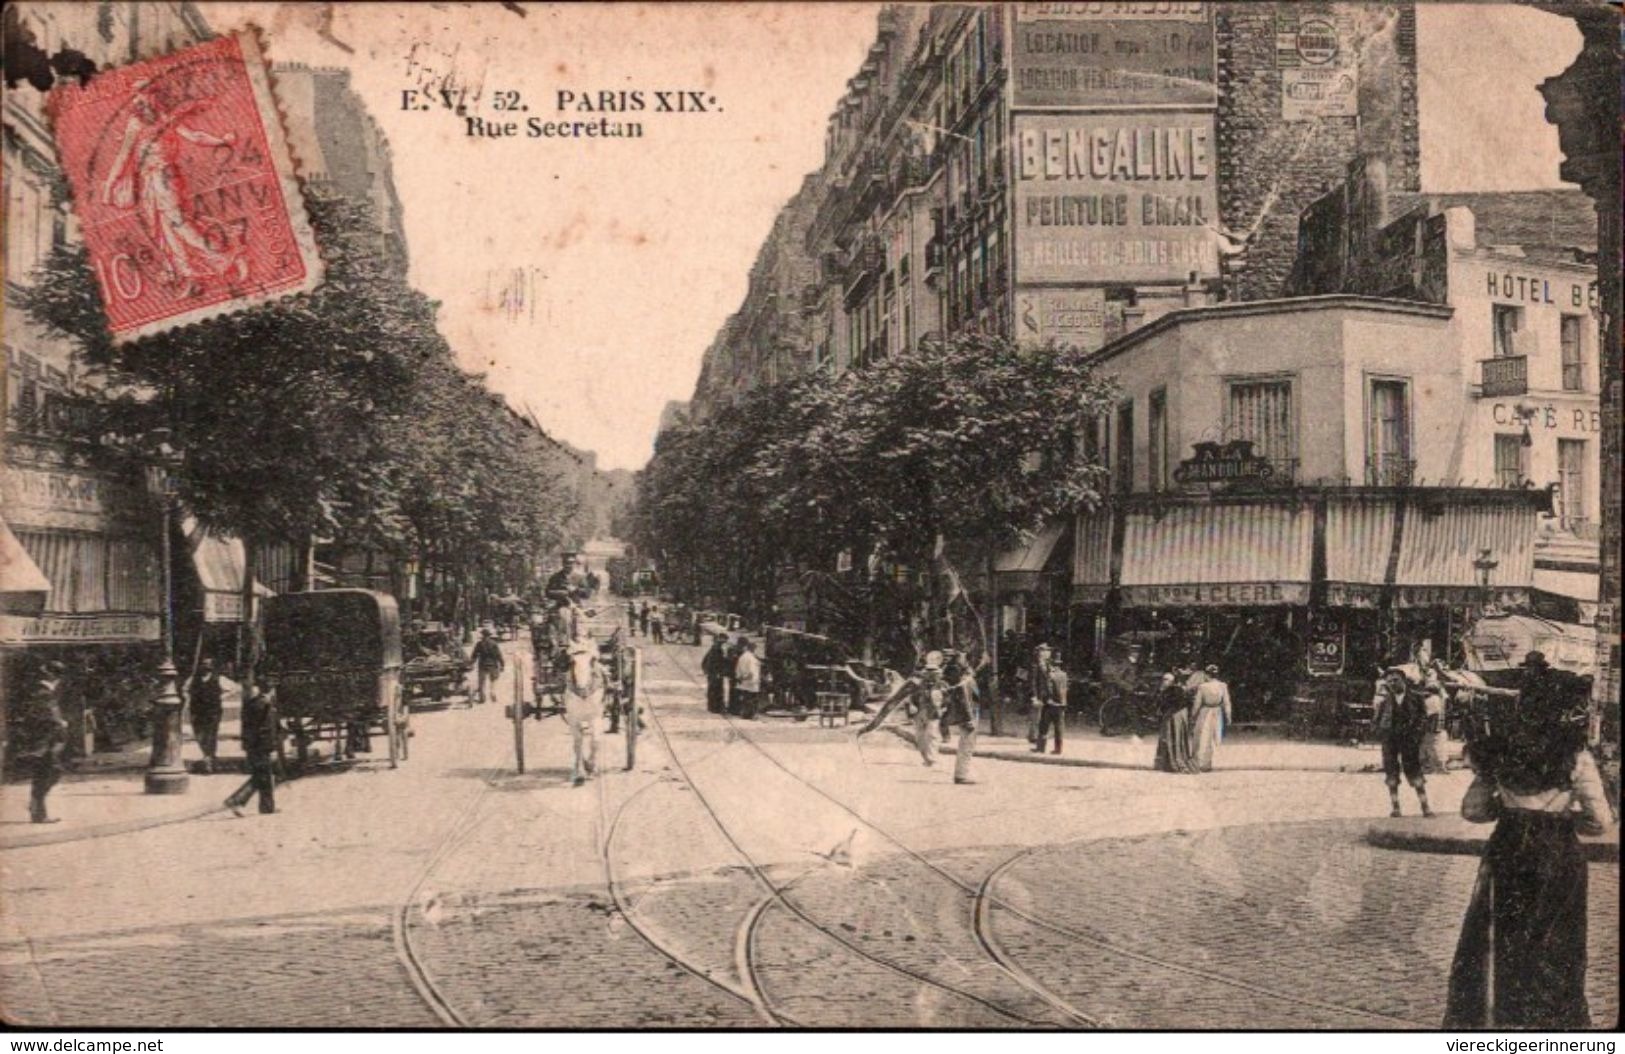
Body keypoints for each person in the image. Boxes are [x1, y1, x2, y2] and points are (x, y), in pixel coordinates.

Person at [1444, 651, 1613, 1028]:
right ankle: (1552, 1023)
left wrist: (1506, 809)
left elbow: (1472, 810)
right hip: (1559, 855)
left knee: (1501, 936)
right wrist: (1566, 820)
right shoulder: (1575, 757)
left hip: (1508, 850)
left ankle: (1502, 1017)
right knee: (1557, 941)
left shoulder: (1499, 752)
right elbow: (1601, 821)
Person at [857, 650, 948, 769]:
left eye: (934, 671)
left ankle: (932, 760)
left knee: (932, 735)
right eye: (929, 671)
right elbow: (901, 698)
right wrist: (910, 705)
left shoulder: (942, 682)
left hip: (934, 713)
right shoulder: (916, 681)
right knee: (920, 736)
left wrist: (943, 708)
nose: (932, 674)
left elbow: (947, 698)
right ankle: (927, 758)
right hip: (918, 712)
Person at [1374, 668, 1433, 817]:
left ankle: (1425, 807)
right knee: (1391, 773)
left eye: (1396, 680)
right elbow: (1376, 721)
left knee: (1415, 771)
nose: (1392, 684)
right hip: (1390, 741)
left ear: (1403, 680)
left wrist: (1417, 736)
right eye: (1389, 681)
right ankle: (1395, 807)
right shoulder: (1384, 701)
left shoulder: (1416, 697)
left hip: (1409, 740)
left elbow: (1423, 718)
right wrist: (1382, 733)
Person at [21, 661, 69, 824]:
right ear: (55, 677)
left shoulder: (40, 691)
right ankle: (37, 809)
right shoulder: (44, 693)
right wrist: (60, 723)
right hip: (44, 743)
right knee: (51, 772)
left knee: (44, 774)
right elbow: (46, 716)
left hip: (42, 742)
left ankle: (36, 808)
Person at [226, 680, 277, 816]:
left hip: (253, 745)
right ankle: (236, 800)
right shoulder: (263, 704)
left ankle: (267, 808)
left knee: (264, 776)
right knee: (262, 776)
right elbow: (265, 729)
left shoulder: (253, 704)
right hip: (260, 746)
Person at [561, 637, 603, 787]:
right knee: (577, 737)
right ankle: (578, 765)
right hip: (573, 690)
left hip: (593, 687)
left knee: (596, 737)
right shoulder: (572, 655)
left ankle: (592, 758)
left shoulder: (593, 655)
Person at [940, 653, 980, 785]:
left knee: (967, 745)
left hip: (968, 715)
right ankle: (961, 775)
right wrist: (969, 719)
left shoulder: (960, 680)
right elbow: (965, 702)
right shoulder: (964, 681)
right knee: (966, 745)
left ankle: (962, 773)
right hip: (968, 716)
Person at [1189, 664, 1232, 772]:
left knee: (1202, 737)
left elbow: (1197, 703)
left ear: (1207, 675)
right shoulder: (1222, 685)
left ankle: (1199, 763)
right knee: (1213, 737)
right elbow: (1226, 702)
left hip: (1205, 712)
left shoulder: (1203, 687)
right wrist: (1228, 716)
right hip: (1217, 712)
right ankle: (1208, 763)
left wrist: (1193, 716)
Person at [1153, 671, 1195, 774]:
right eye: (1163, 679)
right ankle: (1167, 763)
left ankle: (1174, 762)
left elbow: (1165, 704)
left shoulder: (1174, 690)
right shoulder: (1168, 690)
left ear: (1172, 681)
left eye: (1166, 679)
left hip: (1173, 716)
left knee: (1173, 737)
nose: (1163, 681)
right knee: (1168, 738)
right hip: (1172, 716)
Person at [189, 657, 224, 774]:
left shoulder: (219, 678)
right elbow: (185, 689)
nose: (206, 666)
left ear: (212, 666)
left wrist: (220, 697)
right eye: (204, 664)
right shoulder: (194, 679)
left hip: (213, 711)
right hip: (197, 711)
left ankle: (208, 759)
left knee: (210, 735)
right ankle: (208, 757)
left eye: (208, 664)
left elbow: (233, 688)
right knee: (199, 735)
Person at [1031, 645, 1068, 756]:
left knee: (1044, 726)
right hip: (1061, 705)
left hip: (1050, 704)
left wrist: (1047, 699)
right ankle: (1058, 749)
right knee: (1059, 728)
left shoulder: (1050, 675)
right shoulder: (1064, 674)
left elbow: (1049, 688)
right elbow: (1065, 689)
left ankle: (1041, 748)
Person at [470, 628, 504, 705]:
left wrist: (471, 663)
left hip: (482, 665)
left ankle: (482, 698)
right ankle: (492, 691)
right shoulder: (494, 643)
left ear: (482, 635)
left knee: (482, 682)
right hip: (492, 664)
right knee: (493, 680)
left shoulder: (479, 644)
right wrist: (502, 664)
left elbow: (474, 655)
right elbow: (499, 655)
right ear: (489, 635)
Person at [733, 637, 762, 720]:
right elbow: (752, 671)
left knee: (746, 699)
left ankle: (745, 714)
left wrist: (740, 678)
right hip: (751, 682)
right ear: (753, 649)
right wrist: (752, 679)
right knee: (753, 699)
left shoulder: (742, 656)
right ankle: (752, 715)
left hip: (743, 682)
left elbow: (737, 669)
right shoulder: (751, 658)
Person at [702, 633, 731, 714]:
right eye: (725, 640)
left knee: (712, 689)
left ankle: (711, 707)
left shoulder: (714, 647)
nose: (725, 642)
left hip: (712, 673)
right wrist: (718, 672)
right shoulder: (717, 649)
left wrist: (706, 671)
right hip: (716, 673)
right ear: (722, 639)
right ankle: (716, 708)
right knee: (717, 690)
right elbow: (717, 662)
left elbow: (705, 660)